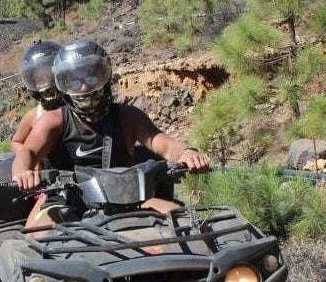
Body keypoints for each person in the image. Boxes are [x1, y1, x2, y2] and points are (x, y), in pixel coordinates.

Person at [12, 39, 209, 228]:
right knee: (36, 241)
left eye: (90, 78)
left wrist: (186, 153)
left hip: (126, 200)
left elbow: (161, 142)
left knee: (185, 223)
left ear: (104, 76)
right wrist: (22, 172)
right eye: (74, 82)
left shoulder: (128, 116)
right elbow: (27, 152)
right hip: (63, 199)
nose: (84, 87)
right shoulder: (54, 120)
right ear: (63, 85)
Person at [11, 40, 63, 166]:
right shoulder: (34, 115)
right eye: (39, 78)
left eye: (49, 75)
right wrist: (29, 158)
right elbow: (16, 141)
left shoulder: (80, 111)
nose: (46, 82)